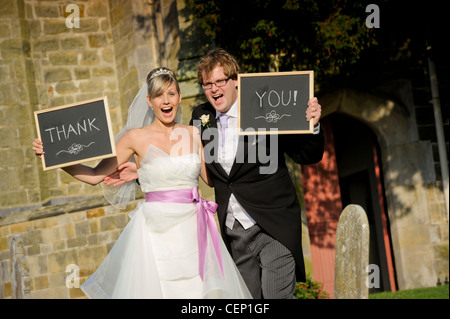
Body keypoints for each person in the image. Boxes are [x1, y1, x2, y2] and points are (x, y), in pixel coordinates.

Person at [105, 49, 324, 299]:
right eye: (207, 84)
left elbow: (308, 155)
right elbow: (187, 161)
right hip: (233, 234)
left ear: (235, 82)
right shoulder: (201, 117)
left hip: (273, 225)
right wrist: (143, 168)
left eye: (220, 81)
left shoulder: (266, 107)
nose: (214, 89)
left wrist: (313, 125)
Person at [32, 67, 252, 299]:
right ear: (149, 100)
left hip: (194, 230)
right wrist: (56, 158)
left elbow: (212, 178)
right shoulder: (135, 138)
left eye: (171, 94)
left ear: (179, 97)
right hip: (157, 233)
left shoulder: (193, 133)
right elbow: (94, 176)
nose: (166, 101)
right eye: (158, 95)